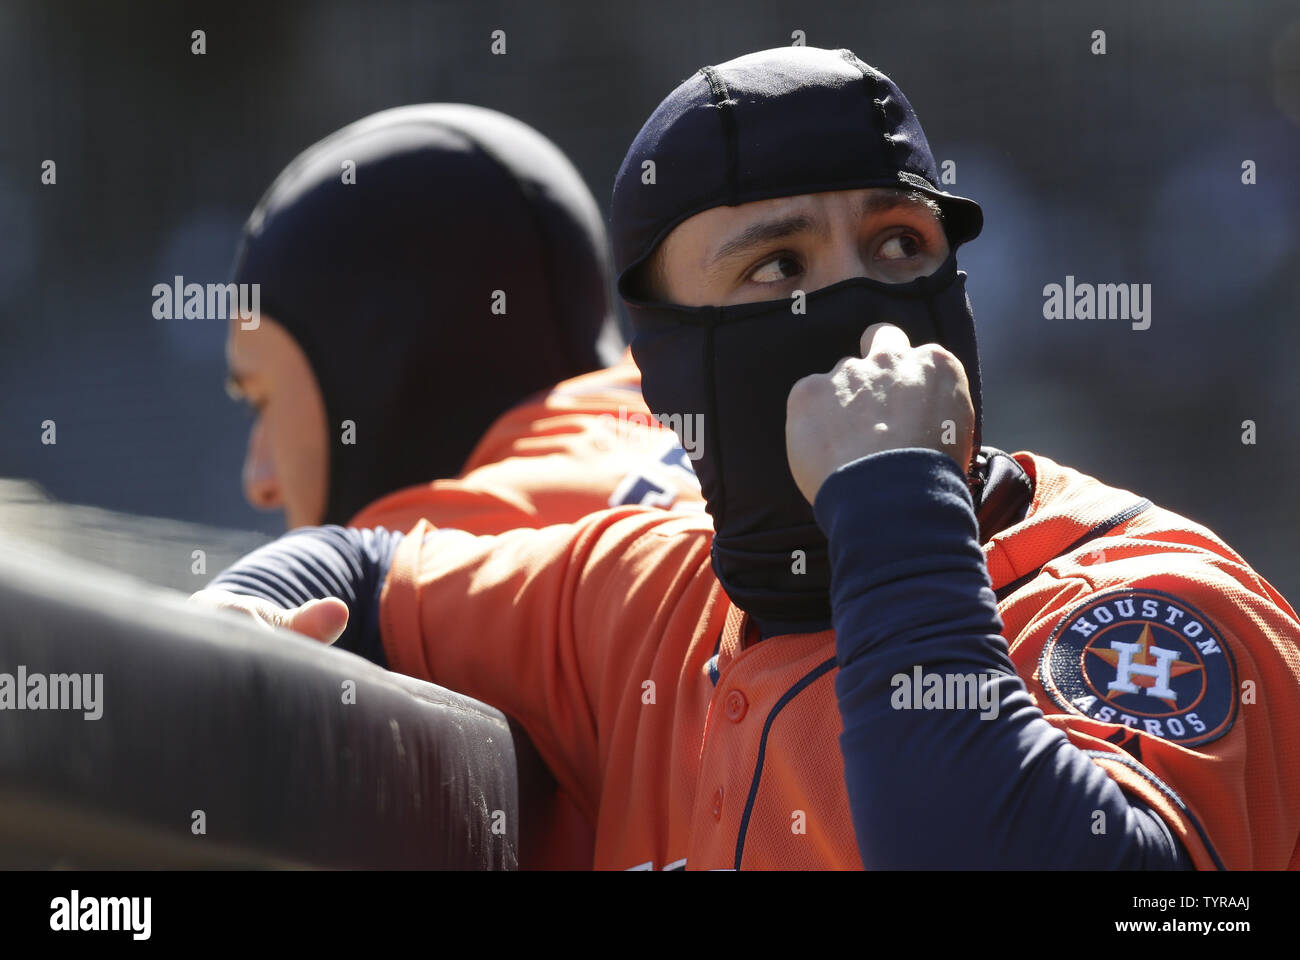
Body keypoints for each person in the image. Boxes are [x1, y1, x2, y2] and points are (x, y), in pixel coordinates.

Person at [197, 47, 1300, 869]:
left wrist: (896, 513)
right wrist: (227, 629)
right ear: (665, 364)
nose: (866, 313)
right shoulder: (641, 594)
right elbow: (363, 568)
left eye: (898, 246)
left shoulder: (1146, 605)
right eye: (778, 267)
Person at [209, 103, 702, 868]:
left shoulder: (456, 543)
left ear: (378, 376)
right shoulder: (721, 428)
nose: (258, 479)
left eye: (263, 402)